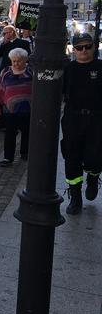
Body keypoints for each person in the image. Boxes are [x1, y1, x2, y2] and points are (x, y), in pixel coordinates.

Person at [60, 33, 102, 215]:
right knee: (72, 158)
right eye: (79, 47)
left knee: (95, 157)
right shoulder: (68, 69)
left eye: (87, 46)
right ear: (74, 49)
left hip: (97, 119)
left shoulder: (101, 67)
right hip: (73, 119)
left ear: (94, 47)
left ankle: (93, 177)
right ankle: (75, 197)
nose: (83, 50)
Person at [0, 48, 32, 167]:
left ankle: (25, 152)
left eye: (19, 61)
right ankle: (8, 157)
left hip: (27, 108)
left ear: (25, 60)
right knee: (10, 133)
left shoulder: (31, 72)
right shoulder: (5, 72)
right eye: (13, 61)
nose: (16, 63)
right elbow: (0, 90)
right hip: (9, 109)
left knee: (27, 132)